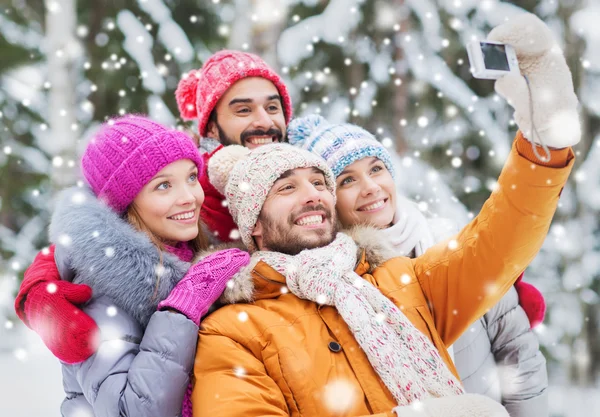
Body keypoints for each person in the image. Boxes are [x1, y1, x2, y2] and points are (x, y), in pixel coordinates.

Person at [191, 14, 578, 416]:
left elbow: (498, 242)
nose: (312, 197)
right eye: (286, 188)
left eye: (321, 183)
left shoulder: (401, 282)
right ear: (251, 220)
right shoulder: (231, 331)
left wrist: (542, 143)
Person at [14, 49, 293, 365]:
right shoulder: (193, 183)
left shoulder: (312, 174)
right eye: (243, 110)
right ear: (211, 127)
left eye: (273, 107)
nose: (265, 121)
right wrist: (37, 291)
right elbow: (97, 227)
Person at [286, 114, 548, 417]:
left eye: (376, 169)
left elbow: (517, 353)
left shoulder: (452, 241)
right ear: (328, 202)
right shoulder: (335, 283)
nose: (370, 187)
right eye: (348, 179)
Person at [23, 115, 250, 416]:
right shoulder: (102, 294)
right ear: (126, 202)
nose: (188, 198)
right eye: (163, 185)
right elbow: (129, 411)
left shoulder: (187, 253)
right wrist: (181, 308)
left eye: (192, 177)